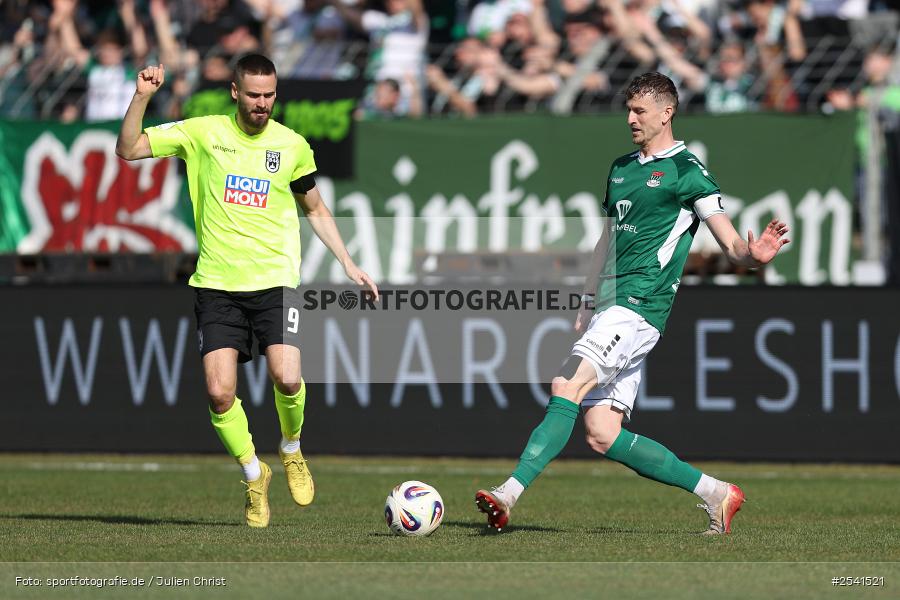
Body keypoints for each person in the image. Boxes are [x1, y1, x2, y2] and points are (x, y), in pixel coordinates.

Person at [475, 72, 790, 535]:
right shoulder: (621, 168)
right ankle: (718, 494)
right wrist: (587, 295)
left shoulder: (687, 171)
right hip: (610, 306)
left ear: (667, 112)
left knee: (566, 384)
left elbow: (728, 240)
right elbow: (607, 238)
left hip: (640, 305)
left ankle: (508, 493)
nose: (631, 119)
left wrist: (752, 255)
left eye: (640, 111)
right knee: (602, 433)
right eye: (628, 110)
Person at [115, 54, 378, 528]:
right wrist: (143, 97)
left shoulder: (292, 145)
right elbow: (129, 148)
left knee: (288, 378)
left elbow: (315, 209)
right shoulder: (203, 133)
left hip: (275, 280)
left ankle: (292, 449)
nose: (262, 104)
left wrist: (348, 262)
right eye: (254, 95)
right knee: (219, 394)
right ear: (235, 92)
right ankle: (255, 474)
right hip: (216, 284)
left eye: (270, 95)